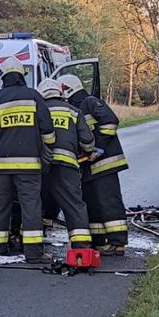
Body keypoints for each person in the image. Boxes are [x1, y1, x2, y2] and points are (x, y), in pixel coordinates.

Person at [0, 57, 53, 263]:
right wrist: (46, 146)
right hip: (29, 165)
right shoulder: (34, 96)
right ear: (22, 75)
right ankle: (33, 253)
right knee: (30, 205)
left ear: (3, 76)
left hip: (1, 166)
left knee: (0, 206)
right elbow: (48, 131)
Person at [60, 74, 129, 255]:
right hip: (88, 166)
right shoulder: (74, 107)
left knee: (109, 201)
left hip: (104, 163)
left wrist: (98, 148)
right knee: (93, 203)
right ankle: (99, 241)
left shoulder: (90, 102)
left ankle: (118, 242)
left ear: (67, 89)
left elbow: (110, 122)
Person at [38, 79, 94, 250]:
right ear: (60, 93)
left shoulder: (37, 110)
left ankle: (33, 243)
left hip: (39, 167)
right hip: (66, 166)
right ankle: (81, 244)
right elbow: (87, 141)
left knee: (33, 203)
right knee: (74, 204)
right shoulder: (73, 111)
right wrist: (88, 150)